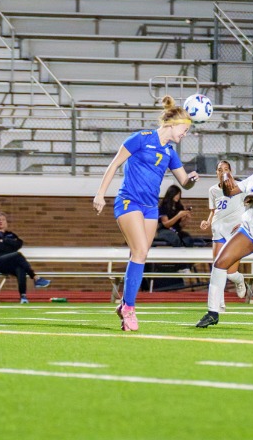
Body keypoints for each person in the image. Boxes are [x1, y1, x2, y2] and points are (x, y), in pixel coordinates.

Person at [93, 95, 199, 331]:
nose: (185, 134)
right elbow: (114, 164)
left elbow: (184, 182)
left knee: (140, 255)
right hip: (128, 201)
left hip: (150, 208)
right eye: (184, 129)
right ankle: (129, 308)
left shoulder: (170, 152)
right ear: (173, 124)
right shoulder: (141, 138)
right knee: (140, 251)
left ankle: (125, 303)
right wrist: (100, 194)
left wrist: (191, 179)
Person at [196, 139, 253, 330]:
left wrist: (251, 196)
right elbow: (230, 192)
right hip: (249, 230)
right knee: (220, 263)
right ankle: (213, 312)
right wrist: (226, 177)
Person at [200, 160, 247, 311]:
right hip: (218, 229)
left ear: (230, 172)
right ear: (217, 173)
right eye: (220, 169)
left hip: (234, 230)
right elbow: (214, 210)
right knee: (217, 268)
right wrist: (207, 222)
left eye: (226, 169)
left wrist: (244, 222)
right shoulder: (213, 190)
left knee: (230, 273)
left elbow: (250, 206)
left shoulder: (240, 187)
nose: (223, 172)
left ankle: (239, 280)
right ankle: (219, 305)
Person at [0, 212, 51, 304]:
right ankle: (35, 277)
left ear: (6, 222)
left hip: (9, 263)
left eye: (3, 220)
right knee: (17, 255)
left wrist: (4, 241)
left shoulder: (10, 235)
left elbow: (19, 244)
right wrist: (9, 246)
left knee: (21, 269)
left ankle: (23, 297)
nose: (0, 221)